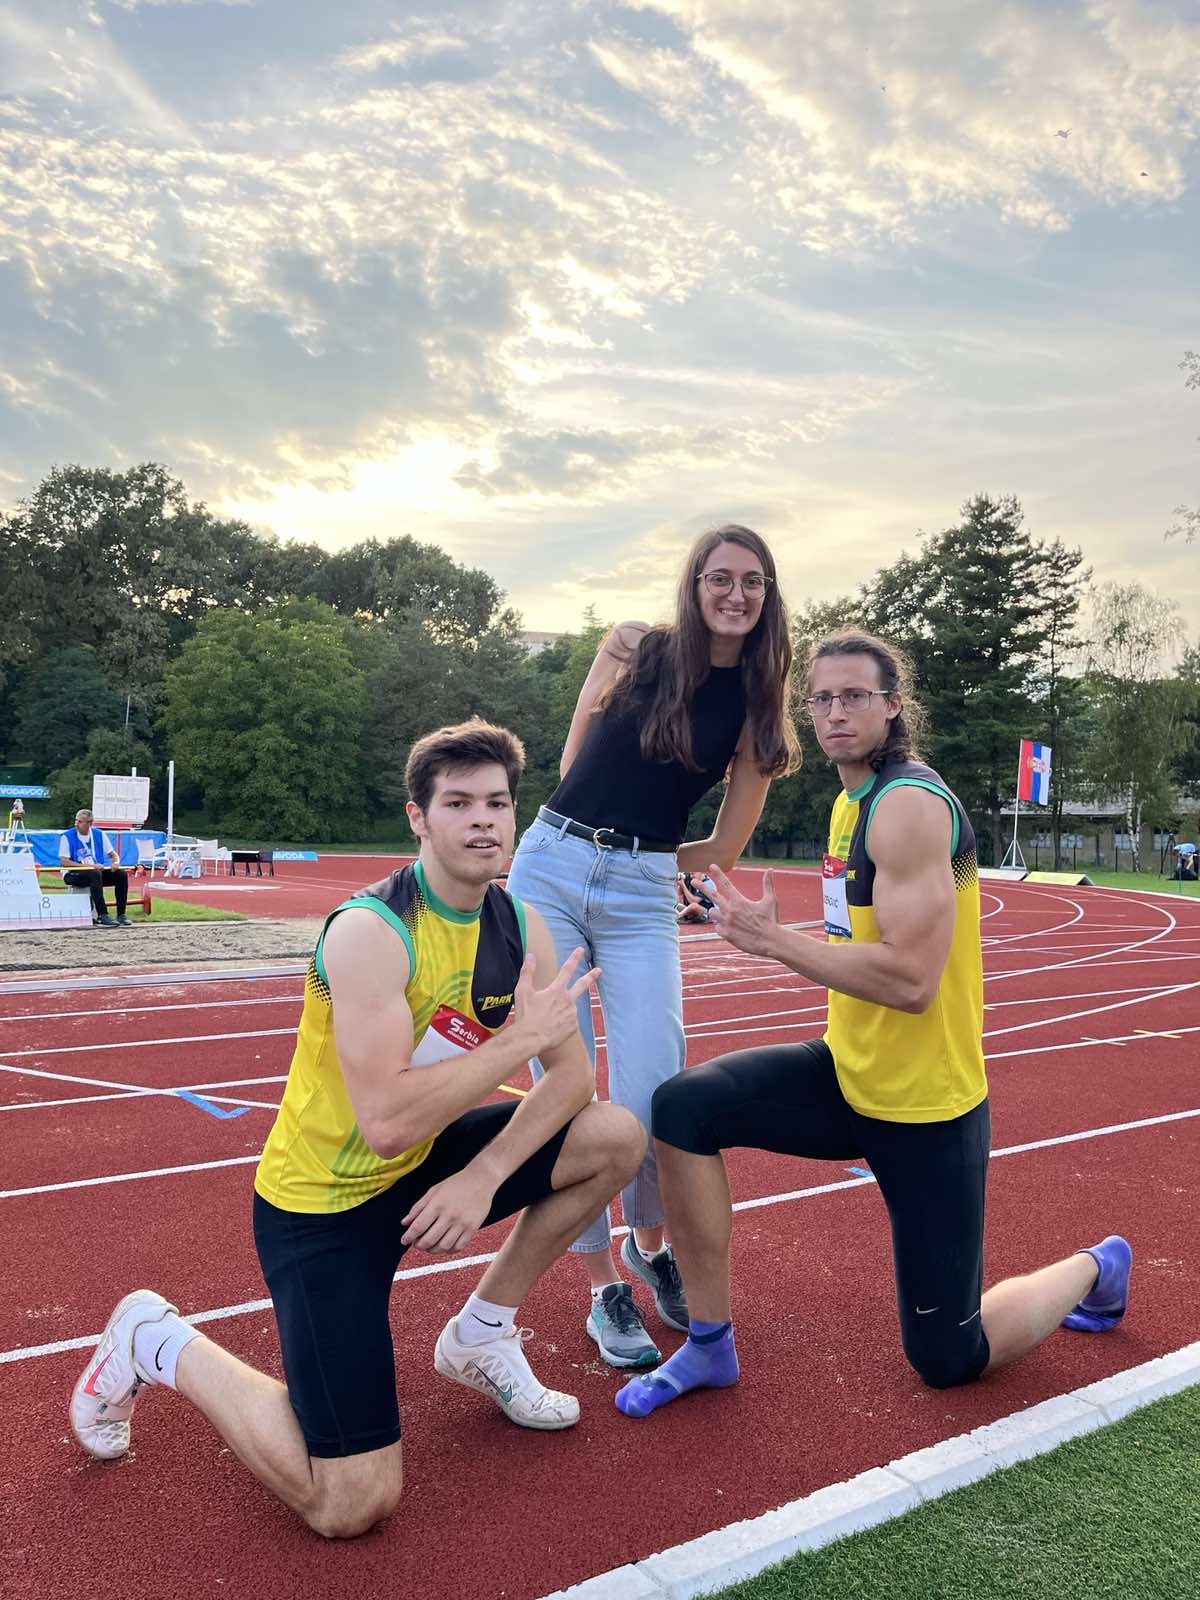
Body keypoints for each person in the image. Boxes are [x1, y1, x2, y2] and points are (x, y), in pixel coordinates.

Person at [70, 720, 646, 1538]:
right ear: (418, 818)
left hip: (425, 1170)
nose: (483, 821)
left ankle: (481, 1335)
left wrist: (482, 1177)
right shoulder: (372, 932)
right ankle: (155, 1339)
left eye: (497, 803)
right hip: (323, 1207)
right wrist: (517, 1041)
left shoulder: (521, 926)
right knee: (350, 1504)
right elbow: (384, 1123)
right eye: (458, 803)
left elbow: (574, 1082)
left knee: (614, 1133)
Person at [615, 630, 1132, 1419]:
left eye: (854, 695)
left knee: (949, 1359)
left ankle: (1098, 1265)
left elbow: (913, 982)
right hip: (846, 1074)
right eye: (821, 698)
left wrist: (772, 941)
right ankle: (710, 1342)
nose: (835, 712)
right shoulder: (848, 803)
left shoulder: (908, 808)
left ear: (893, 705)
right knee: (682, 1109)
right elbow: (856, 941)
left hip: (926, 1109)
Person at [506, 525, 799, 1369]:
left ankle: (648, 1243)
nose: (735, 594)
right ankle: (604, 1286)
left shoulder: (756, 706)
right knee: (565, 1084)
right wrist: (588, 843)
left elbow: (727, 844)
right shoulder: (635, 648)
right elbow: (575, 760)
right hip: (550, 867)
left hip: (641, 892)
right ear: (695, 583)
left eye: (752, 581)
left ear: (769, 595)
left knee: (651, 1088)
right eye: (721, 578)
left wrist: (648, 864)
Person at [58, 807, 131, 926]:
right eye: (76, 821)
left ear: (90, 823)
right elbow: (65, 862)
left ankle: (121, 914)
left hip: (95, 872)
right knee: (95, 873)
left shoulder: (99, 834)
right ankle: (103, 914)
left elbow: (113, 855)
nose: (76, 824)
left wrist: (116, 862)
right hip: (73, 874)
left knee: (121, 875)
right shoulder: (67, 836)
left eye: (80, 822)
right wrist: (91, 866)